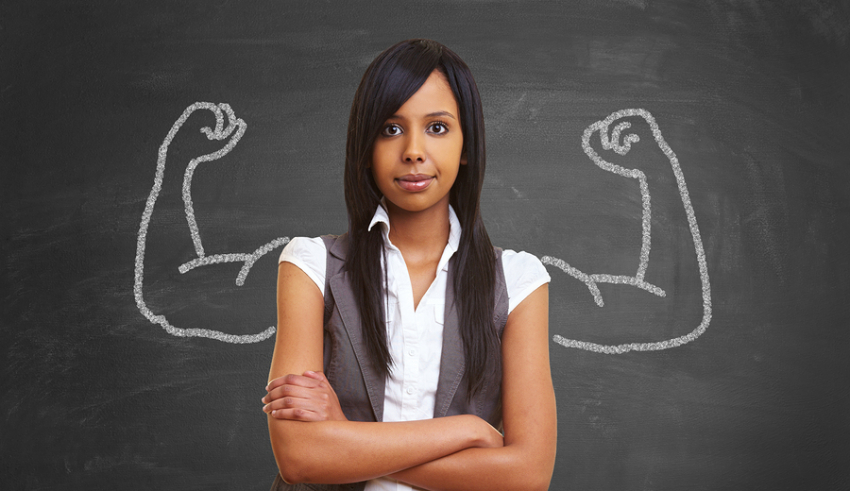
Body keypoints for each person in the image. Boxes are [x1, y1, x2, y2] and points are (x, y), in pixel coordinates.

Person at [262, 39, 557, 491]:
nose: (414, 151)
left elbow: (528, 474)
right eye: (391, 129)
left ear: (466, 145)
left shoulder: (518, 281)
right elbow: (300, 458)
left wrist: (346, 440)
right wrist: (470, 431)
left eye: (437, 128)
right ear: (365, 147)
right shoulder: (311, 265)